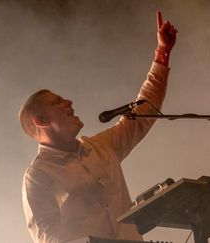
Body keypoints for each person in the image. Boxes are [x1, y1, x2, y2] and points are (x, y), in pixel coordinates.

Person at [19, 11, 177, 243]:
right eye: (57, 102)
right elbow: (46, 234)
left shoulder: (100, 146)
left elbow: (144, 112)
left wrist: (162, 54)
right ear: (41, 121)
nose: (69, 103)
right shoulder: (38, 175)